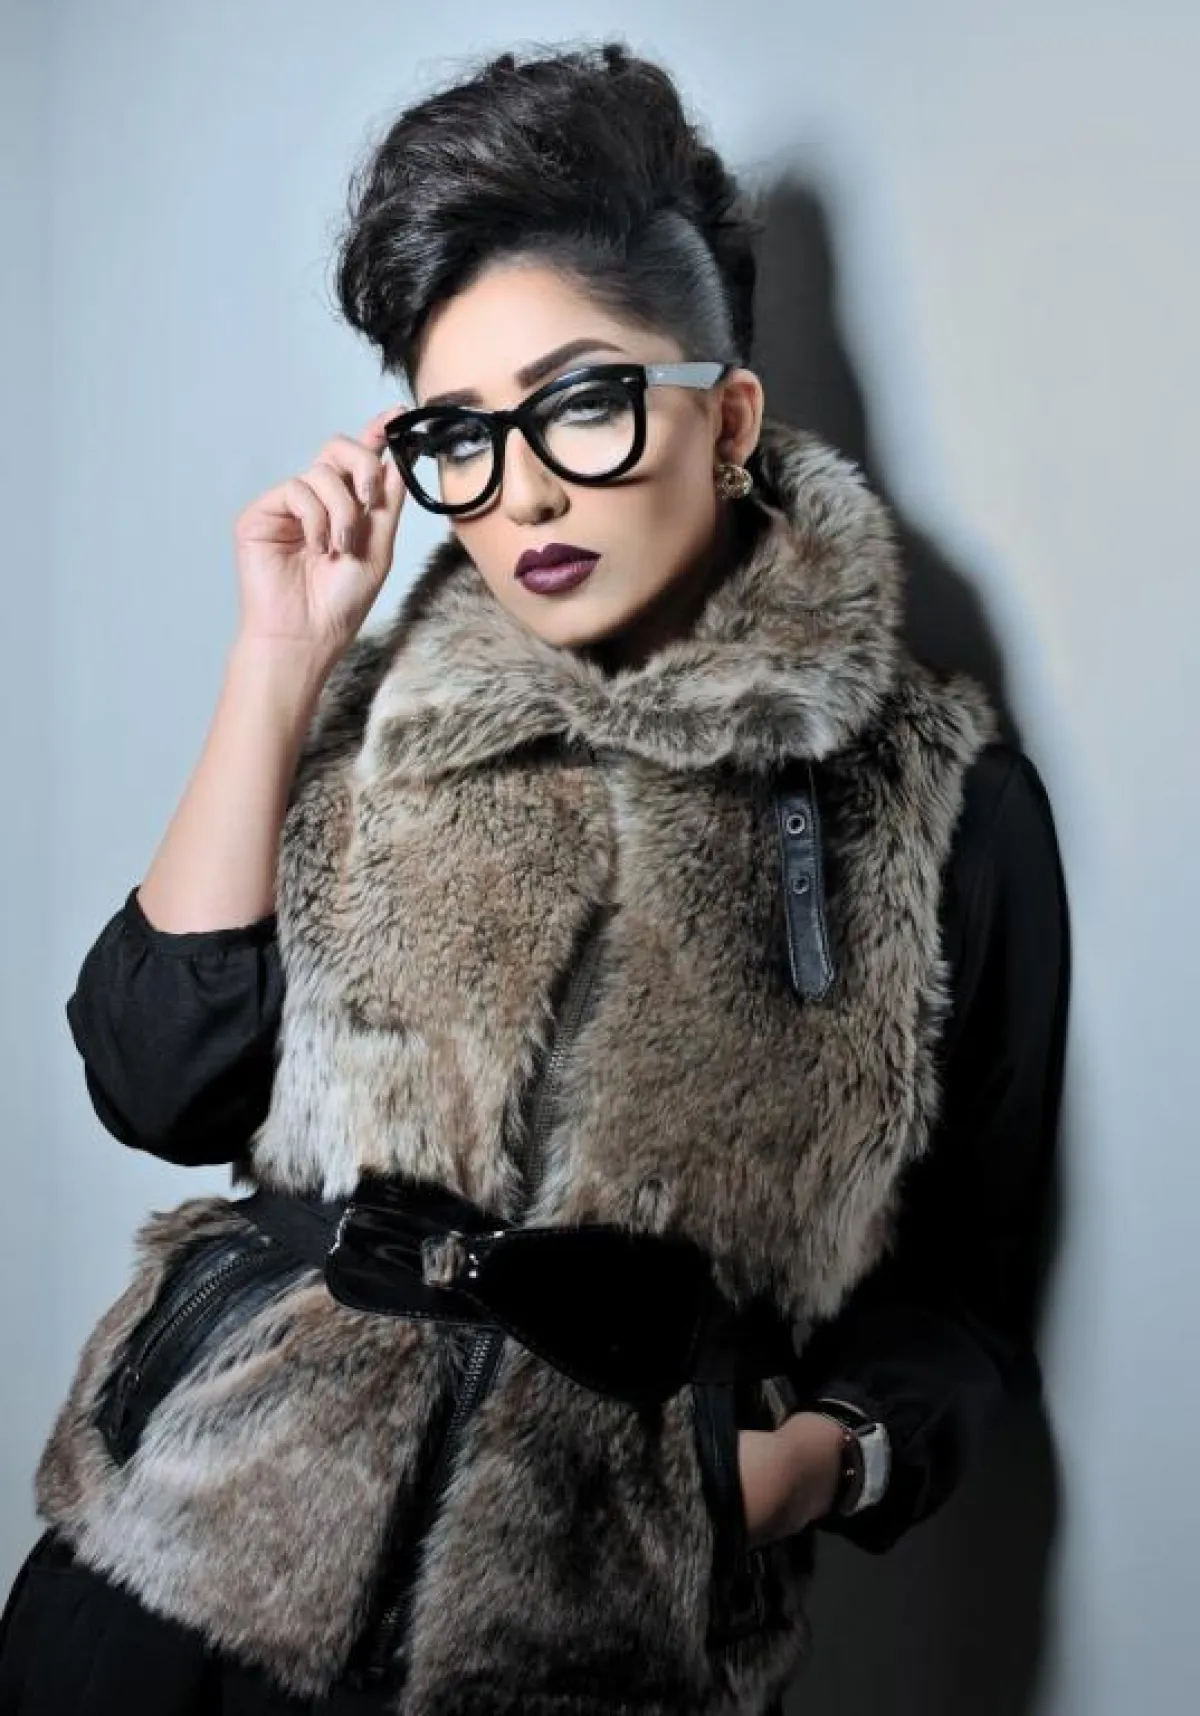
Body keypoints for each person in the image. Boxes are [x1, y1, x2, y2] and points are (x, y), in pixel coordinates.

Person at [0, 39, 1068, 1716]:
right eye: (464, 434)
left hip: (584, 1639)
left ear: (728, 419)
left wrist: (810, 1469)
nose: (525, 490)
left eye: (581, 401)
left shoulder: (933, 797)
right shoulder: (374, 716)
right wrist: (279, 667)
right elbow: (156, 1075)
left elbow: (963, 1302)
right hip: (170, 1593)